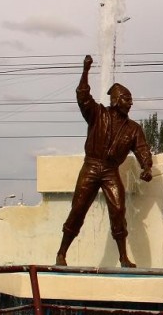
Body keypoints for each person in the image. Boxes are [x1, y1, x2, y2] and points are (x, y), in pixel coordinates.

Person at [56, 55, 153, 268]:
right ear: (116, 100)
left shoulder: (133, 128)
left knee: (118, 210)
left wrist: (147, 167)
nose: (131, 103)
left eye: (130, 99)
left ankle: (123, 257)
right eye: (127, 99)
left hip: (110, 171)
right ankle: (62, 253)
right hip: (91, 166)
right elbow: (82, 96)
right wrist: (85, 70)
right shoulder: (97, 114)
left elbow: (143, 150)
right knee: (78, 208)